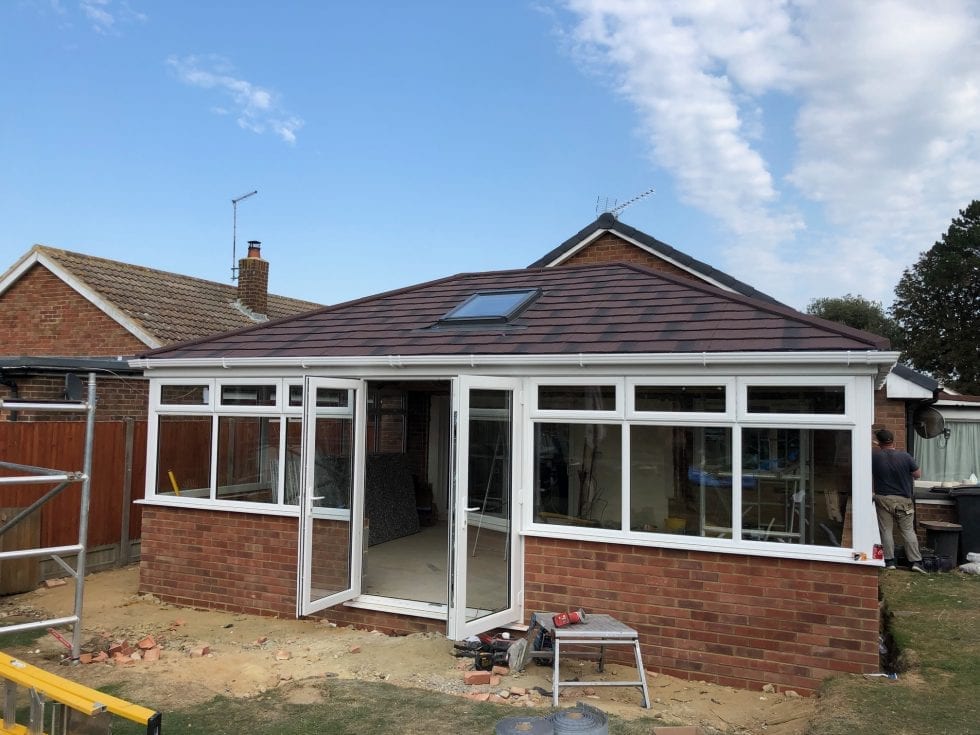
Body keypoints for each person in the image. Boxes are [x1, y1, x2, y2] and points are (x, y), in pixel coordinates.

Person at [871, 428, 925, 572]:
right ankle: (916, 562)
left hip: (883, 499)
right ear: (893, 440)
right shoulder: (905, 456)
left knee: (886, 531)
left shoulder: (874, 457)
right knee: (908, 531)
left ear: (879, 442)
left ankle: (889, 562)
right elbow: (917, 474)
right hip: (903, 500)